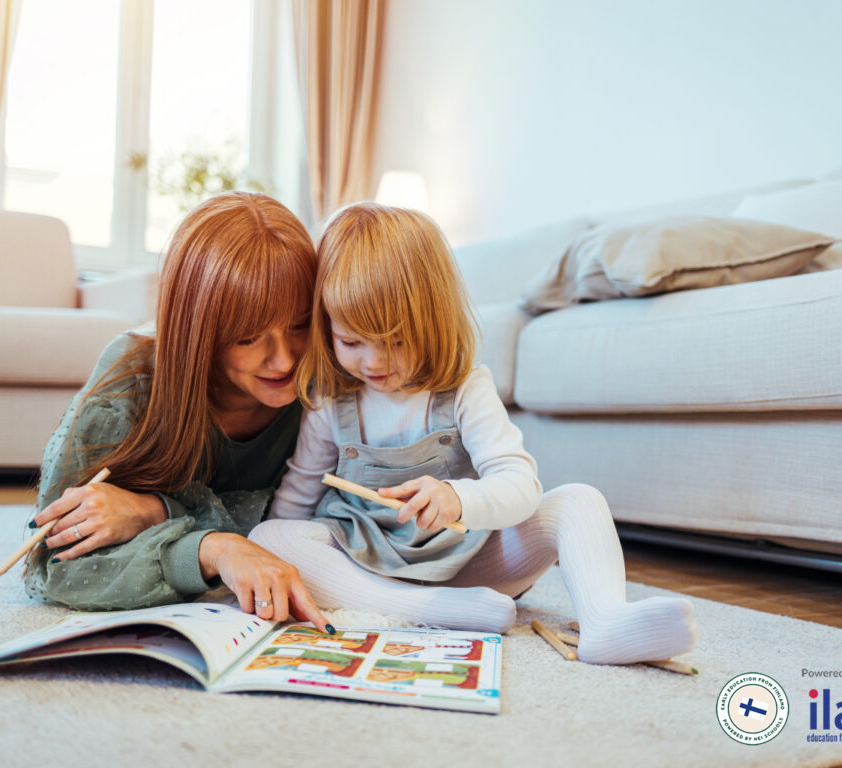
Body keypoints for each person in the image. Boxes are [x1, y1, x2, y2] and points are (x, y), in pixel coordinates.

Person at [248, 203, 697, 664]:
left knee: (577, 501)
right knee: (269, 537)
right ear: (327, 328)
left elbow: (521, 486)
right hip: (365, 568)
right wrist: (274, 550)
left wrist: (459, 498)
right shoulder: (330, 402)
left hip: (471, 568)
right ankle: (428, 610)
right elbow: (298, 498)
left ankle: (606, 620)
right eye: (351, 342)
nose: (375, 363)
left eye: (397, 340)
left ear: (435, 319)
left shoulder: (464, 388)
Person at [24, 192, 331, 633]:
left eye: (299, 324)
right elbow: (54, 564)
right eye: (248, 338)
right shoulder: (127, 381)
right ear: (198, 331)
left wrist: (156, 511)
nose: (283, 361)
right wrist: (211, 549)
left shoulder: (330, 379)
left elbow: (334, 522)